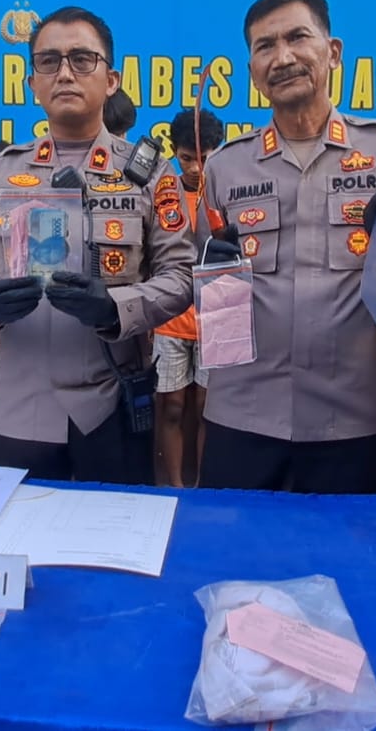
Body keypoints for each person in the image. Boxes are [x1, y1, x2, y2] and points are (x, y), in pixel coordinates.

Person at [0, 6, 194, 484]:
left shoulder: (150, 175)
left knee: (113, 526)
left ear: (112, 79)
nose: (65, 73)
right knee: (23, 523)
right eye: (48, 61)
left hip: (111, 402)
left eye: (82, 59)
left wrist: (118, 308)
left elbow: (181, 275)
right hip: (21, 406)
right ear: (31, 82)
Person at [197, 0, 376, 494]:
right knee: (234, 542)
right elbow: (210, 299)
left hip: (347, 418)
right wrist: (213, 282)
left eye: (297, 37)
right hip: (243, 414)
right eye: (265, 46)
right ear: (253, 71)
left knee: (341, 545)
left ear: (333, 51)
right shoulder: (224, 167)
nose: (282, 57)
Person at [153, 107, 225, 487]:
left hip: (216, 319)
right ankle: (175, 487)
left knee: (207, 410)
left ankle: (202, 488)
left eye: (204, 158)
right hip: (170, 319)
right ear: (173, 153)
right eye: (186, 159)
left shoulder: (227, 193)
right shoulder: (163, 194)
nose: (196, 167)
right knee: (172, 407)